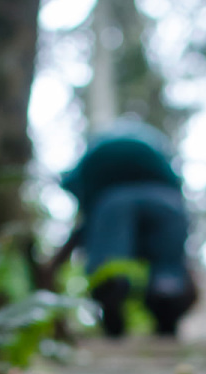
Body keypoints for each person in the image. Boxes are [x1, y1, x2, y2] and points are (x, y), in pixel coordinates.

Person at [54, 120, 198, 338]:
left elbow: (80, 229)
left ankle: (113, 321)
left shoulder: (98, 185)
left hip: (111, 204)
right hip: (166, 204)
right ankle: (166, 304)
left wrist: (53, 265)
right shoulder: (160, 171)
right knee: (167, 278)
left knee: (109, 269)